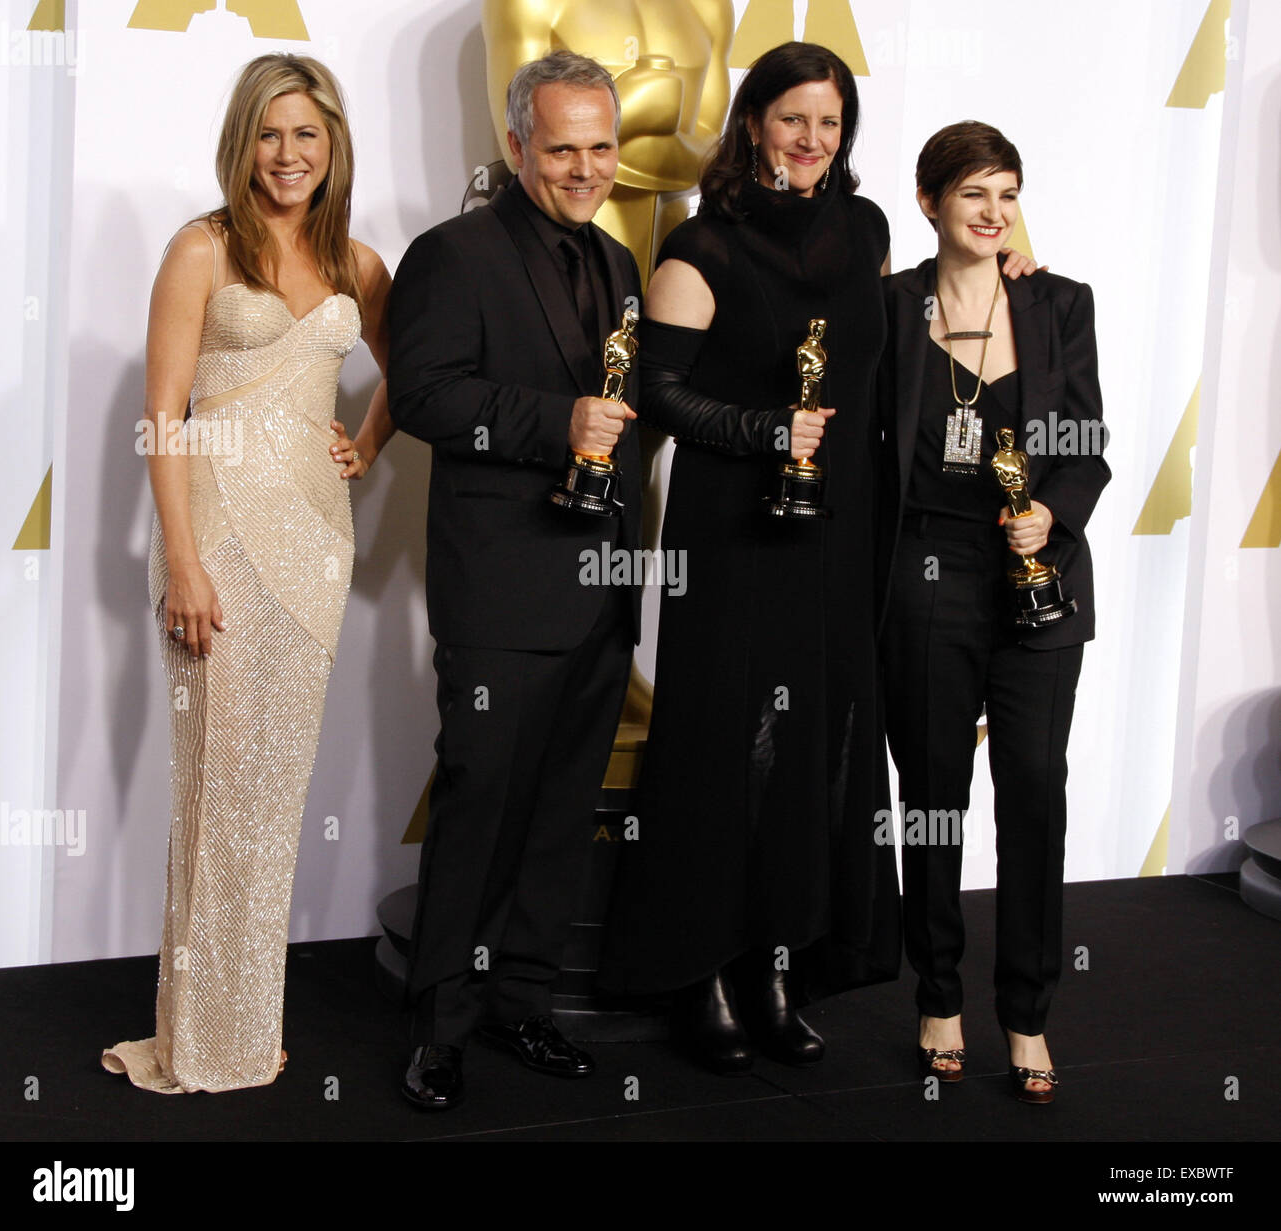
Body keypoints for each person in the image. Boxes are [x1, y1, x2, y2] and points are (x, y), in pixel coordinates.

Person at [596, 41, 902, 1074]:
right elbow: (658, 396)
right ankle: (704, 969)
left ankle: (780, 963)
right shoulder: (701, 247)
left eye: (829, 122)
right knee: (730, 745)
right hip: (734, 535)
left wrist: (1008, 277)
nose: (811, 141)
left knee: (813, 747)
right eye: (791, 120)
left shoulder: (866, 230)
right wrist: (765, 430)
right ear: (754, 125)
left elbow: (888, 357)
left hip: (839, 531)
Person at [102, 53, 393, 1093]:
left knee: (274, 796)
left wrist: (367, 440)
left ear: (333, 145)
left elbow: (408, 375)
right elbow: (164, 416)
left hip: (315, 545)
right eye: (270, 134)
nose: (288, 154)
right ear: (242, 141)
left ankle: (242, 1022)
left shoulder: (359, 265)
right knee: (216, 789)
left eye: (306, 134)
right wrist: (179, 560)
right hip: (214, 546)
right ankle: (199, 1032)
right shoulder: (200, 250)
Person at [388, 51, 642, 1112]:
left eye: (600, 147)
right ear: (515, 146)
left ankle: (521, 1002)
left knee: (560, 810)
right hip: (499, 590)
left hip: (601, 582)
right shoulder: (452, 254)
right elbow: (423, 396)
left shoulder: (621, 263)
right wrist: (555, 424)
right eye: (561, 147)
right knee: (481, 804)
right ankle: (440, 1027)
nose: (583, 169)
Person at [877, 121, 1109, 1103]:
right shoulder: (887, 309)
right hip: (924, 575)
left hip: (1037, 579)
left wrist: (1049, 511)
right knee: (931, 799)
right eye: (972, 192)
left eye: (1006, 193)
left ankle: (1027, 1010)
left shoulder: (1058, 303)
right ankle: (937, 996)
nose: (991, 211)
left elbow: (1086, 442)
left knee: (1033, 794)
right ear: (929, 202)